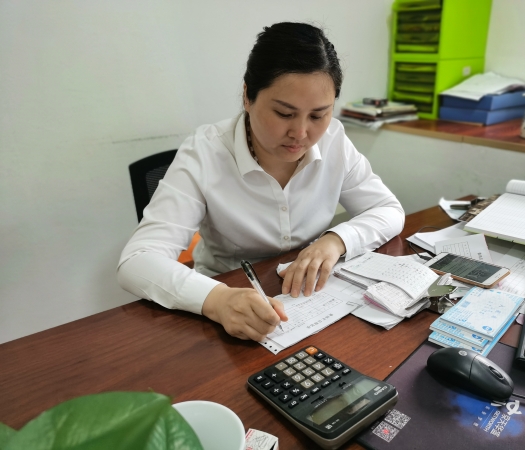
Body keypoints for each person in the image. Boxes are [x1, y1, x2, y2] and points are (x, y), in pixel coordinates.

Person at [118, 22, 405, 342]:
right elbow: (137, 261)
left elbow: (388, 210)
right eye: (284, 113)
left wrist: (335, 240)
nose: (301, 133)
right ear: (247, 96)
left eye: (318, 115)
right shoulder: (206, 152)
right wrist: (217, 299)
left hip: (309, 296)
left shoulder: (334, 140)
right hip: (228, 300)